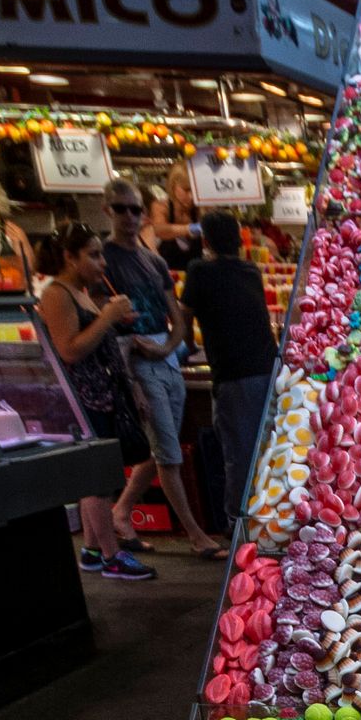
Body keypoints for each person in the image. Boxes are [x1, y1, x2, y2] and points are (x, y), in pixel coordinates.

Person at [101, 182, 226, 558]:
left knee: (161, 450)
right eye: (121, 209)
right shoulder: (102, 258)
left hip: (163, 358)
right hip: (135, 362)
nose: (129, 216)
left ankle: (121, 512)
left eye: (135, 209)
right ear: (107, 210)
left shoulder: (152, 259)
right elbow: (100, 322)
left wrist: (166, 348)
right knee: (169, 453)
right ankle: (196, 535)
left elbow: (177, 319)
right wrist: (130, 375)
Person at [36, 225, 155, 580]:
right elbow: (69, 350)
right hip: (84, 399)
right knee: (97, 479)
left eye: (100, 253)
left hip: (106, 395)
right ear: (68, 257)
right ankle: (111, 555)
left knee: (104, 475)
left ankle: (91, 549)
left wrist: (130, 386)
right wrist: (107, 317)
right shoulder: (57, 294)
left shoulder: (82, 292)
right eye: (92, 254)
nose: (101, 262)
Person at [180, 208, 276, 519]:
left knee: (240, 453)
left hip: (235, 374)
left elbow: (184, 317)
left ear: (205, 241)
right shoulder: (251, 271)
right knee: (265, 448)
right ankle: (265, 514)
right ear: (238, 239)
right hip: (268, 367)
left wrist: (187, 347)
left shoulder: (199, 272)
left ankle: (240, 524)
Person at [146, 160, 201, 267]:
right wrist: (189, 229)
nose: (191, 196)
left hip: (196, 275)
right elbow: (159, 230)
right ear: (173, 186)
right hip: (168, 274)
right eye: (186, 190)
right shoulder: (161, 206)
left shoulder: (200, 209)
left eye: (194, 190)